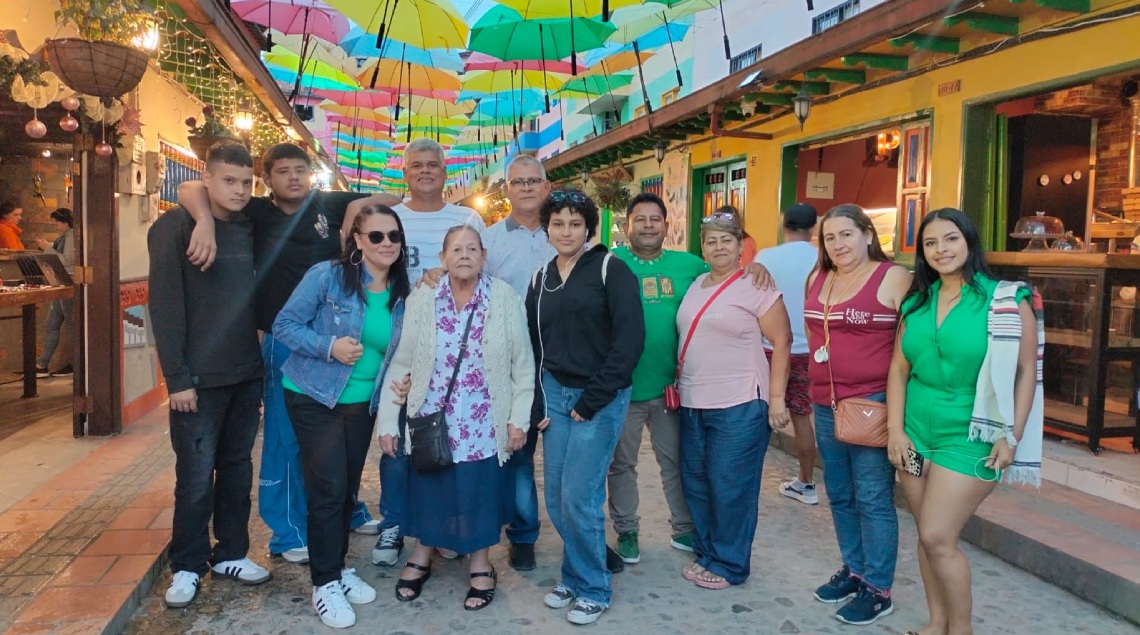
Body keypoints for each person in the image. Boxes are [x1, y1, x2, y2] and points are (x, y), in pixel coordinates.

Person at [180, 143, 401, 564]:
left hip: (338, 343)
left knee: (342, 438)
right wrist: (204, 221)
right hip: (286, 341)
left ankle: (347, 510)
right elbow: (190, 188)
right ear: (269, 179)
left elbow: (387, 199)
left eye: (301, 170)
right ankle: (287, 531)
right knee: (286, 438)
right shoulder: (256, 211)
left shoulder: (326, 205)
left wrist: (350, 221)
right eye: (284, 172)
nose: (295, 178)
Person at [887, 209, 1041, 635]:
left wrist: (1013, 435)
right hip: (916, 434)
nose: (942, 250)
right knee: (926, 535)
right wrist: (897, 431)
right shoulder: (917, 300)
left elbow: (1026, 371)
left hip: (972, 433)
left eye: (951, 239)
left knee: (938, 537)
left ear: (969, 242)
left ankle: (962, 629)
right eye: (931, 243)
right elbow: (899, 369)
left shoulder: (1005, 300)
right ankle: (937, 622)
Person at [606, 193, 772, 565]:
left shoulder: (690, 265)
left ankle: (684, 528)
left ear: (667, 226)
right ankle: (627, 530)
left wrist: (756, 269)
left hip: (674, 390)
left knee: (678, 463)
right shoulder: (609, 262)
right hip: (623, 387)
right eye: (640, 219)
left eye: (655, 219)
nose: (648, 225)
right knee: (621, 464)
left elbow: (726, 276)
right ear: (627, 225)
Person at [377, 225, 534, 611]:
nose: (464, 255)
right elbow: (402, 358)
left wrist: (519, 419)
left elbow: (523, 364)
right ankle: (422, 556)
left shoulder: (503, 297)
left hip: (485, 421)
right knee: (430, 491)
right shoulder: (424, 297)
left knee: (480, 493)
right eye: (456, 250)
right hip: (433, 421)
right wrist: (386, 419)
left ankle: (481, 564)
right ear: (443, 258)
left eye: (472, 249)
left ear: (483, 256)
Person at [271, 204, 410, 628]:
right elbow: (284, 325)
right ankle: (325, 583)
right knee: (328, 489)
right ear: (357, 241)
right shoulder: (327, 276)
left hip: (362, 404)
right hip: (315, 396)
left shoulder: (404, 291)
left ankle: (338, 566)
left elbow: (400, 350)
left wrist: (401, 382)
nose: (386, 244)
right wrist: (328, 346)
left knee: (347, 490)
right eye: (376, 236)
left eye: (394, 236)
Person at [148, 142, 270, 609]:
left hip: (245, 373)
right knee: (196, 477)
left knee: (238, 469)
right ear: (208, 177)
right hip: (196, 381)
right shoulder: (175, 227)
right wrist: (176, 378)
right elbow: (165, 305)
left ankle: (232, 553)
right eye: (229, 181)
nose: (239, 190)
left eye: (246, 182)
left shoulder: (248, 223)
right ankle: (187, 563)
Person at [527, 189, 644, 625]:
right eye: (558, 223)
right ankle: (574, 576)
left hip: (600, 398)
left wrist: (593, 399)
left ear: (590, 228)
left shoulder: (612, 269)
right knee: (557, 497)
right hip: (555, 396)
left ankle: (594, 586)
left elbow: (629, 341)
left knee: (580, 495)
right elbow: (535, 343)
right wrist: (540, 397)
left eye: (575, 223)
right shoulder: (542, 277)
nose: (566, 231)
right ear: (547, 228)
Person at [369, 137, 485, 568]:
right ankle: (394, 525)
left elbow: (476, 269)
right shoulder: (389, 218)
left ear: (444, 170)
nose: (424, 171)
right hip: (401, 343)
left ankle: (449, 526)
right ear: (405, 172)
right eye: (416, 165)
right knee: (396, 442)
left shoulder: (467, 217)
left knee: (450, 443)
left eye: (432, 165)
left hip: (457, 353)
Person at [804, 204, 912, 626]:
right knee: (841, 493)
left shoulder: (893, 278)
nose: (838, 244)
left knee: (872, 496)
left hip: (871, 403)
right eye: (829, 238)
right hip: (825, 403)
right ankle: (855, 569)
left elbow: (911, 345)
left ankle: (879, 588)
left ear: (868, 234)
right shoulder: (819, 277)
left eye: (846, 234)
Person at [676, 213, 792, 589]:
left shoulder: (756, 286)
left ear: (742, 246)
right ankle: (709, 552)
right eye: (711, 240)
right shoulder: (695, 284)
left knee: (731, 486)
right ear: (702, 247)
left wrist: (777, 400)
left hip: (740, 403)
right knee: (696, 482)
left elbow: (783, 341)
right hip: (693, 402)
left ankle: (730, 563)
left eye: (728, 240)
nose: (719, 247)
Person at [481, 154, 555, 572]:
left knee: (567, 458)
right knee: (520, 454)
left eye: (533, 181)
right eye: (517, 182)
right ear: (506, 190)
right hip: (510, 364)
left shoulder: (564, 233)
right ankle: (523, 535)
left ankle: (583, 535)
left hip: (561, 361)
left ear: (545, 187)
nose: (526, 188)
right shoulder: (489, 241)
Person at [755, 203, 820, 505]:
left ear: (784, 226)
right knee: (802, 417)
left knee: (757, 416)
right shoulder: (824, 257)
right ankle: (806, 483)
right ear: (814, 228)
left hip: (769, 348)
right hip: (810, 351)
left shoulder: (766, 257)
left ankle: (748, 480)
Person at [34, 208, 76, 377]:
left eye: (57, 222)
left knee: (72, 326)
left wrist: (47, 249)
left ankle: (76, 365)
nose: (56, 226)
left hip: (69, 282)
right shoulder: (63, 237)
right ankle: (42, 365)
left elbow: (67, 260)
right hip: (61, 283)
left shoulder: (72, 235)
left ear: (66, 222)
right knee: (52, 324)